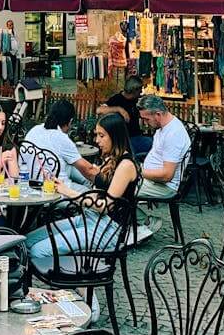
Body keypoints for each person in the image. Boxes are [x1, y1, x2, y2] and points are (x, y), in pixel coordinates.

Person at [25, 112, 140, 272]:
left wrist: (68, 191)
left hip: (106, 229)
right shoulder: (110, 159)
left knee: (38, 251)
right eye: (96, 135)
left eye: (101, 135)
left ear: (115, 136)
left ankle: (65, 281)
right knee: (27, 241)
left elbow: (105, 206)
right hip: (89, 219)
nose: (97, 140)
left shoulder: (126, 165)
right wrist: (61, 186)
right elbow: (96, 193)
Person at [23, 99, 100, 184]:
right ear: (70, 121)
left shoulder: (34, 130)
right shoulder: (62, 138)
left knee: (71, 168)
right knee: (88, 186)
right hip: (54, 186)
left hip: (28, 180)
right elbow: (88, 170)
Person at [136, 95, 190, 199]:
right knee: (115, 179)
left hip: (162, 187)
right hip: (152, 180)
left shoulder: (173, 134)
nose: (145, 123)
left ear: (158, 114)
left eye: (146, 119)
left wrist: (137, 171)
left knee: (117, 187)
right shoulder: (164, 127)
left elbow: (167, 175)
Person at [98, 76, 151, 156]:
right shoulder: (117, 99)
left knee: (155, 143)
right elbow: (99, 110)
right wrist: (119, 109)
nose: (141, 92)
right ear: (134, 90)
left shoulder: (136, 100)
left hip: (137, 136)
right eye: (140, 89)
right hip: (124, 140)